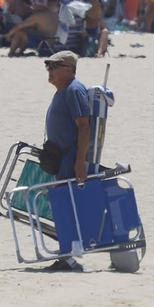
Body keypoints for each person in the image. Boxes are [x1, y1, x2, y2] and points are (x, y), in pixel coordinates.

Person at [41, 50, 94, 272]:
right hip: (59, 158)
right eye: (48, 66)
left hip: (70, 159)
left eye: (54, 66)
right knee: (61, 206)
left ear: (69, 69)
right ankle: (67, 254)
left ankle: (69, 257)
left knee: (66, 207)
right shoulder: (62, 91)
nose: (49, 71)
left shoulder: (74, 90)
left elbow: (84, 127)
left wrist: (80, 161)